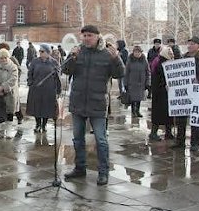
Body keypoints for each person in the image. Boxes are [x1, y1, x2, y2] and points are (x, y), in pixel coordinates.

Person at [63, 25, 124, 186]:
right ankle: (80, 168)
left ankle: (103, 172)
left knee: (101, 140)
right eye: (83, 35)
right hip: (78, 102)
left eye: (89, 35)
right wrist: (72, 57)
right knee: (77, 139)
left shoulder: (106, 54)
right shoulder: (79, 52)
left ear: (98, 36)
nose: (86, 38)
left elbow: (120, 74)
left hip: (97, 103)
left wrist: (116, 58)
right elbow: (66, 70)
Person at [172, 36, 199, 151]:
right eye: (189, 43)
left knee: (196, 118)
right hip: (184, 93)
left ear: (198, 46)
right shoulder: (183, 58)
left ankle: (195, 142)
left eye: (193, 44)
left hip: (197, 93)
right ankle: (180, 141)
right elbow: (176, 73)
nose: (190, 45)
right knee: (181, 117)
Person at [26, 43, 61, 133]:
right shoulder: (35, 61)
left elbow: (58, 77)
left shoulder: (53, 62)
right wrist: (30, 83)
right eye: (40, 51)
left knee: (46, 107)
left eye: (42, 51)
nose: (40, 53)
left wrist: (58, 90)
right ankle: (38, 124)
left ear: (48, 52)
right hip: (36, 88)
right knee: (36, 107)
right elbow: (30, 73)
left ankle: (44, 125)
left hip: (49, 89)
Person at [0, 48, 18, 139]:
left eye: (5, 57)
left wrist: (3, 87)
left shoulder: (13, 67)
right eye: (1, 58)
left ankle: (9, 130)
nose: (3, 60)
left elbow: (13, 79)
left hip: (9, 93)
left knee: (9, 112)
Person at [149, 46, 175, 141]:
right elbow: (159, 78)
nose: (172, 55)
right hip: (160, 93)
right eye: (170, 53)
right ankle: (153, 133)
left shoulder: (168, 62)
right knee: (158, 114)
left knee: (168, 114)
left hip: (166, 93)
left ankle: (168, 132)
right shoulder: (160, 63)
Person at [0, 42, 23, 123]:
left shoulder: (12, 59)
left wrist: (15, 80)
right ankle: (3, 119)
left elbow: (19, 70)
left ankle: (19, 117)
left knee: (14, 102)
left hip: (12, 85)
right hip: (1, 85)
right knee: (2, 103)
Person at [124, 45, 150, 118]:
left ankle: (137, 111)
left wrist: (147, 83)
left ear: (141, 53)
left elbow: (148, 72)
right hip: (131, 83)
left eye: (138, 52)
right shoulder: (130, 60)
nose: (137, 54)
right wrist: (125, 83)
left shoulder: (144, 60)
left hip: (141, 83)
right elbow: (126, 73)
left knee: (139, 98)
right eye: (135, 52)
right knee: (132, 98)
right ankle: (133, 111)